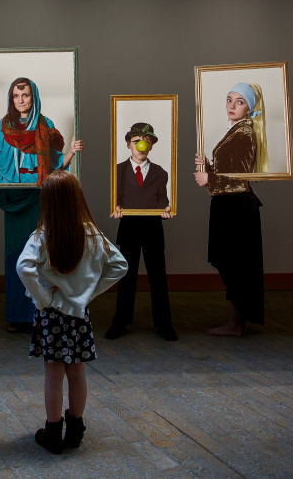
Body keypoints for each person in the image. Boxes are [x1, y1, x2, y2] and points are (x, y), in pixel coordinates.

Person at [16, 169, 127, 454]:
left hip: (51, 314)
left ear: (48, 201)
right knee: (77, 373)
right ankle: (75, 430)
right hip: (79, 315)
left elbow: (22, 267)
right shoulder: (92, 232)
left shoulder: (42, 235)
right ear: (78, 197)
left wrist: (43, 299)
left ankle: (53, 432)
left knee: (53, 376)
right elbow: (120, 265)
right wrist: (89, 293)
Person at [0, 77, 83, 333]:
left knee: (42, 256)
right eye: (17, 96)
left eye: (26, 95)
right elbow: (0, 164)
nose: (21, 100)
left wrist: (71, 152)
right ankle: (18, 316)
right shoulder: (4, 125)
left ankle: (42, 314)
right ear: (11, 98)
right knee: (17, 256)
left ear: (34, 97)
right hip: (17, 197)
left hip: (41, 197)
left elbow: (56, 164)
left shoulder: (45, 125)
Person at [194, 82, 268, 336]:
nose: (232, 106)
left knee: (236, 263)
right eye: (229, 100)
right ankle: (237, 321)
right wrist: (207, 166)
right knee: (234, 263)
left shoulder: (245, 132)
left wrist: (208, 179)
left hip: (236, 207)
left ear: (249, 108)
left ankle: (236, 324)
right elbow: (229, 170)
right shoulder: (236, 130)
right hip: (229, 204)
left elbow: (240, 177)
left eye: (240, 102)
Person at [106, 122, 176, 341]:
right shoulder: (118, 170)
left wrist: (167, 208)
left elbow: (163, 198)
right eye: (136, 141)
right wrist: (115, 208)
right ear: (128, 144)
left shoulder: (160, 172)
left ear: (152, 146)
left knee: (158, 276)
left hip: (153, 228)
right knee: (127, 275)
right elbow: (115, 197)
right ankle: (121, 321)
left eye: (145, 142)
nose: (140, 146)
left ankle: (164, 323)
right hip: (129, 227)